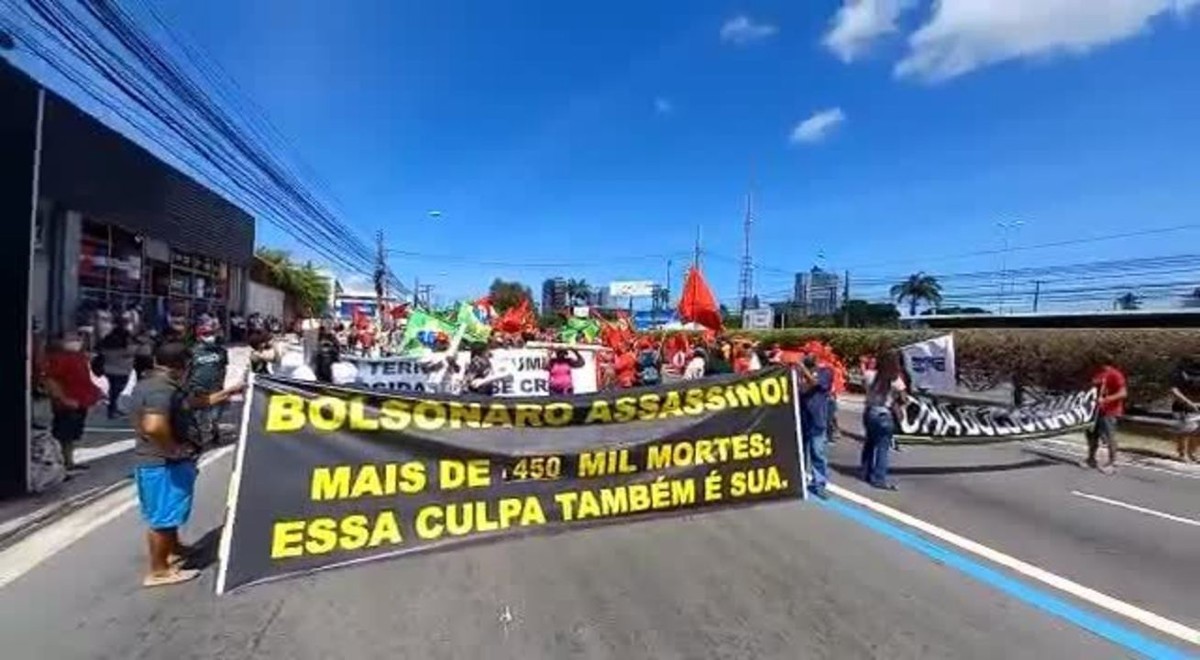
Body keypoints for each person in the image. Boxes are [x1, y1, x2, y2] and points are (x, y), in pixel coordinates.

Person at [131, 341, 245, 587]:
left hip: (164, 461)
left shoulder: (160, 384)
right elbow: (154, 426)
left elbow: (198, 402)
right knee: (163, 517)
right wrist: (174, 450)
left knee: (169, 513)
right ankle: (159, 570)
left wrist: (230, 391)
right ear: (183, 365)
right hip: (163, 463)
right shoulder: (161, 390)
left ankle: (173, 549)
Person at [42, 333, 103, 472]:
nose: (77, 342)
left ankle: (69, 462)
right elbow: (50, 380)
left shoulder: (78, 357)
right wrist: (63, 399)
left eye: (77, 339)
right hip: (68, 403)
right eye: (71, 340)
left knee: (72, 433)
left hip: (79, 402)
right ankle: (64, 463)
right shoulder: (59, 359)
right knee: (65, 434)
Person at [861, 351, 906, 491]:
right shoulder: (895, 379)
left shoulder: (869, 375)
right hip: (884, 414)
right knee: (882, 447)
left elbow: (865, 386)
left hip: (869, 412)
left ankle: (866, 472)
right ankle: (878, 478)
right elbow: (904, 398)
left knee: (869, 443)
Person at [186, 321, 229, 449]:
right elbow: (188, 370)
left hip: (215, 388)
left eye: (211, 333)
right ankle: (197, 440)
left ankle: (214, 432)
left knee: (214, 416)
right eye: (206, 334)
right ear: (199, 336)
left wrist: (221, 383)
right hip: (197, 388)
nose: (210, 336)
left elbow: (223, 368)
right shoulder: (193, 352)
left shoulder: (221, 351)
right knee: (197, 416)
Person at [798, 353, 834, 499]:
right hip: (801, 417)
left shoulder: (825, 372)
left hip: (817, 419)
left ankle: (819, 484)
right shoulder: (797, 374)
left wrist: (802, 369)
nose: (808, 357)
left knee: (817, 452)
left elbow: (814, 383)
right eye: (806, 354)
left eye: (811, 354)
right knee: (800, 452)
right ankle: (800, 480)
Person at [1088, 360, 1127, 473]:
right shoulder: (1097, 373)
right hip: (1095, 411)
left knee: (1110, 437)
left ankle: (1113, 463)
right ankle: (1091, 459)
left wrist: (1106, 399)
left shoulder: (1115, 374)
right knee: (1092, 435)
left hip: (1110, 411)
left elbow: (1123, 393)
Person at [98, 324, 136, 418]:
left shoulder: (107, 341)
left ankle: (113, 408)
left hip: (108, 369)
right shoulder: (126, 345)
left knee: (113, 389)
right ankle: (113, 409)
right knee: (116, 390)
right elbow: (133, 352)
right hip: (122, 370)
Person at [1169, 357, 1200, 463]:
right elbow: (1174, 390)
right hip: (1183, 407)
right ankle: (1182, 454)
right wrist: (1189, 403)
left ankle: (1193, 453)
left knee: (1198, 432)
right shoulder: (1181, 371)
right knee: (1186, 431)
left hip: (1198, 406)